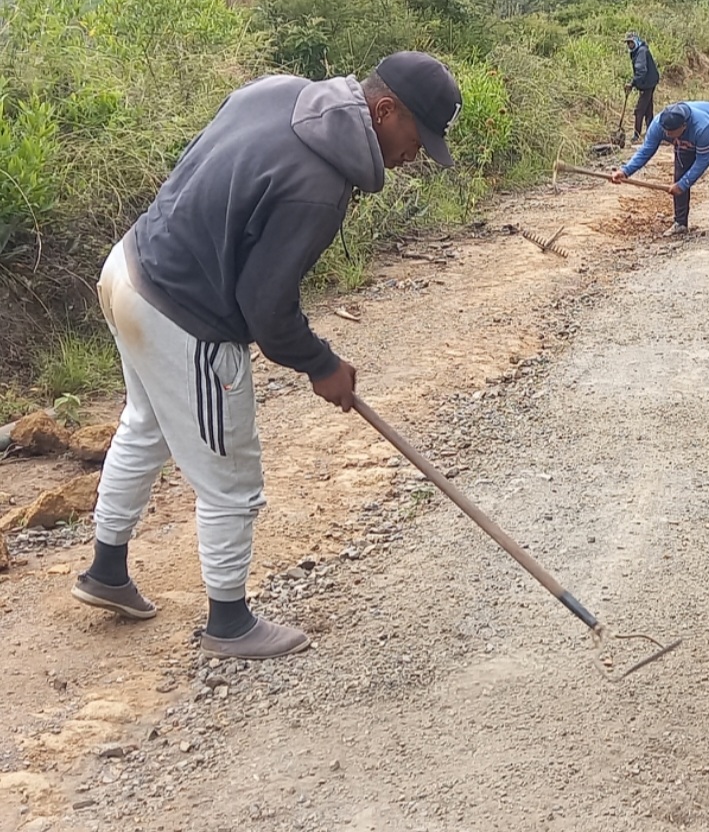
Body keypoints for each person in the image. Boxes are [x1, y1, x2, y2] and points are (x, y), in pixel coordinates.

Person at [72, 51, 463, 660]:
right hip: (184, 312)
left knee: (146, 424)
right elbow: (266, 308)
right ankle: (228, 623)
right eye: (418, 140)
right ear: (386, 110)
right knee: (230, 477)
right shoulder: (320, 188)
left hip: (129, 266)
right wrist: (321, 364)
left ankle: (106, 571)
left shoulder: (280, 90)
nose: (415, 157)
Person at [611, 100, 709, 237]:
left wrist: (683, 184)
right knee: (679, 175)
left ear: (683, 126)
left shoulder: (702, 126)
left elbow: (703, 160)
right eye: (666, 131)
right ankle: (680, 223)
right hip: (688, 138)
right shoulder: (658, 125)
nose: (668, 135)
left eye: (672, 132)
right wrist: (625, 171)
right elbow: (646, 151)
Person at [624, 32, 660, 142]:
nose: (629, 45)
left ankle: (636, 135)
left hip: (647, 83)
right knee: (648, 109)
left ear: (636, 41)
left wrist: (632, 84)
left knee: (639, 110)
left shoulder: (641, 52)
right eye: (628, 43)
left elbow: (641, 71)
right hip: (649, 82)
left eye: (631, 42)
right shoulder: (638, 51)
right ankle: (651, 132)